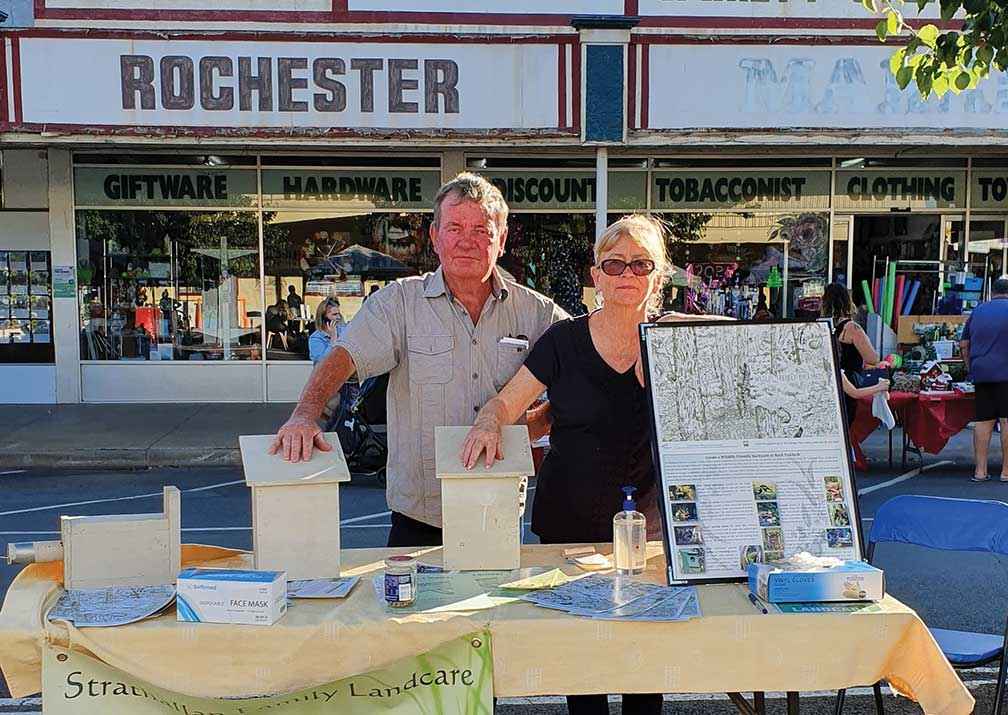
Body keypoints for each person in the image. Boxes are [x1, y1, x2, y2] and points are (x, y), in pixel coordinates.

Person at [269, 173, 567, 547]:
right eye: (455, 227)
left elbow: (582, 365)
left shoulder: (536, 313)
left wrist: (536, 424)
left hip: (498, 509)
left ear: (502, 239)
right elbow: (344, 356)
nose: (467, 241)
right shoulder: (399, 304)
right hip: (419, 518)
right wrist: (304, 415)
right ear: (434, 236)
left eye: (481, 230)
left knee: (493, 607)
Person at [460, 214, 670, 715]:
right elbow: (507, 405)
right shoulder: (564, 341)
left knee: (645, 663)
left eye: (640, 265)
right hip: (569, 523)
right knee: (586, 660)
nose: (626, 274)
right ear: (595, 275)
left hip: (647, 523)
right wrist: (489, 424)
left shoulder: (672, 341)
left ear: (658, 277)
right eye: (613, 264)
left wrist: (664, 363)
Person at [960, 276, 1008, 482]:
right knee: (1007, 422)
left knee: (983, 422)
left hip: (982, 373)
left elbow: (963, 344)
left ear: (993, 292)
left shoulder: (977, 311)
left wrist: (970, 368)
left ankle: (980, 471)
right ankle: (1006, 472)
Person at [821, 283, 881, 426]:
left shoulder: (822, 326)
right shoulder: (852, 328)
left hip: (827, 381)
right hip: (848, 381)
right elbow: (872, 359)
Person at [308, 297, 344, 365]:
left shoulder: (342, 331)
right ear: (324, 318)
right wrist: (333, 338)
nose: (338, 317)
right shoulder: (316, 338)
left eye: (339, 314)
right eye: (334, 314)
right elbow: (323, 361)